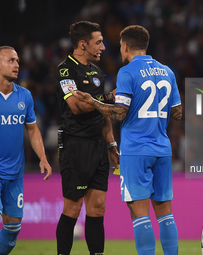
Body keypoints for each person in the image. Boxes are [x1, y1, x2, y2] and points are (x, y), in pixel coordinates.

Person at [71, 25, 182, 255]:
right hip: (162, 148)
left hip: (136, 150)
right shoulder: (167, 71)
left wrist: (94, 102)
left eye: (120, 46)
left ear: (126, 46)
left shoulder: (127, 72)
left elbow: (120, 114)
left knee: (139, 213)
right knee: (165, 213)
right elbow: (178, 112)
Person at [54, 21, 119, 255]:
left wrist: (111, 143)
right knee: (73, 208)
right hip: (75, 144)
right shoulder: (65, 70)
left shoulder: (97, 71)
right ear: (83, 44)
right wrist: (108, 98)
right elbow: (76, 107)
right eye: (98, 42)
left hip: (98, 146)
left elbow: (102, 112)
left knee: (98, 208)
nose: (103, 46)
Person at [0, 46, 52, 255]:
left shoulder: (25, 96)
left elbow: (32, 129)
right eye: (11, 60)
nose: (17, 64)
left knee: (12, 229)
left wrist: (43, 158)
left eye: (18, 60)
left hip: (15, 173)